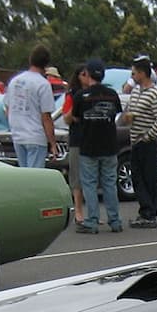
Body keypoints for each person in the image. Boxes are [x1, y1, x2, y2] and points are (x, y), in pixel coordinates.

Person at [70, 59, 124, 235]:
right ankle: (115, 220)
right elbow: (117, 113)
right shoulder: (112, 94)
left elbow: (75, 118)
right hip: (109, 145)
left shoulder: (81, 97)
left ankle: (92, 221)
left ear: (88, 74)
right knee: (109, 183)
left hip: (89, 145)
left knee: (90, 184)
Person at [123, 55, 157, 228]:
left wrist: (148, 136)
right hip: (136, 141)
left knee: (149, 178)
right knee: (137, 178)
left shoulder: (155, 94)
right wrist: (128, 118)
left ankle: (150, 213)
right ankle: (144, 210)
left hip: (150, 143)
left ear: (142, 73)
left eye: (134, 73)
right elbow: (130, 111)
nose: (133, 76)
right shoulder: (135, 93)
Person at [5, 44, 58, 168]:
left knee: (25, 176)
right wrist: (53, 143)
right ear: (46, 64)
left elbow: (7, 108)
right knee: (35, 177)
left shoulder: (15, 81)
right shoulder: (43, 84)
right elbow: (46, 117)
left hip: (18, 135)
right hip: (35, 136)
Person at [62, 65, 87, 224]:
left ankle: (93, 212)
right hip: (77, 139)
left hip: (92, 139)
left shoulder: (95, 92)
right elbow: (67, 118)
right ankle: (78, 210)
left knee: (91, 177)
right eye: (84, 74)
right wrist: (75, 112)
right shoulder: (72, 94)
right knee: (77, 176)